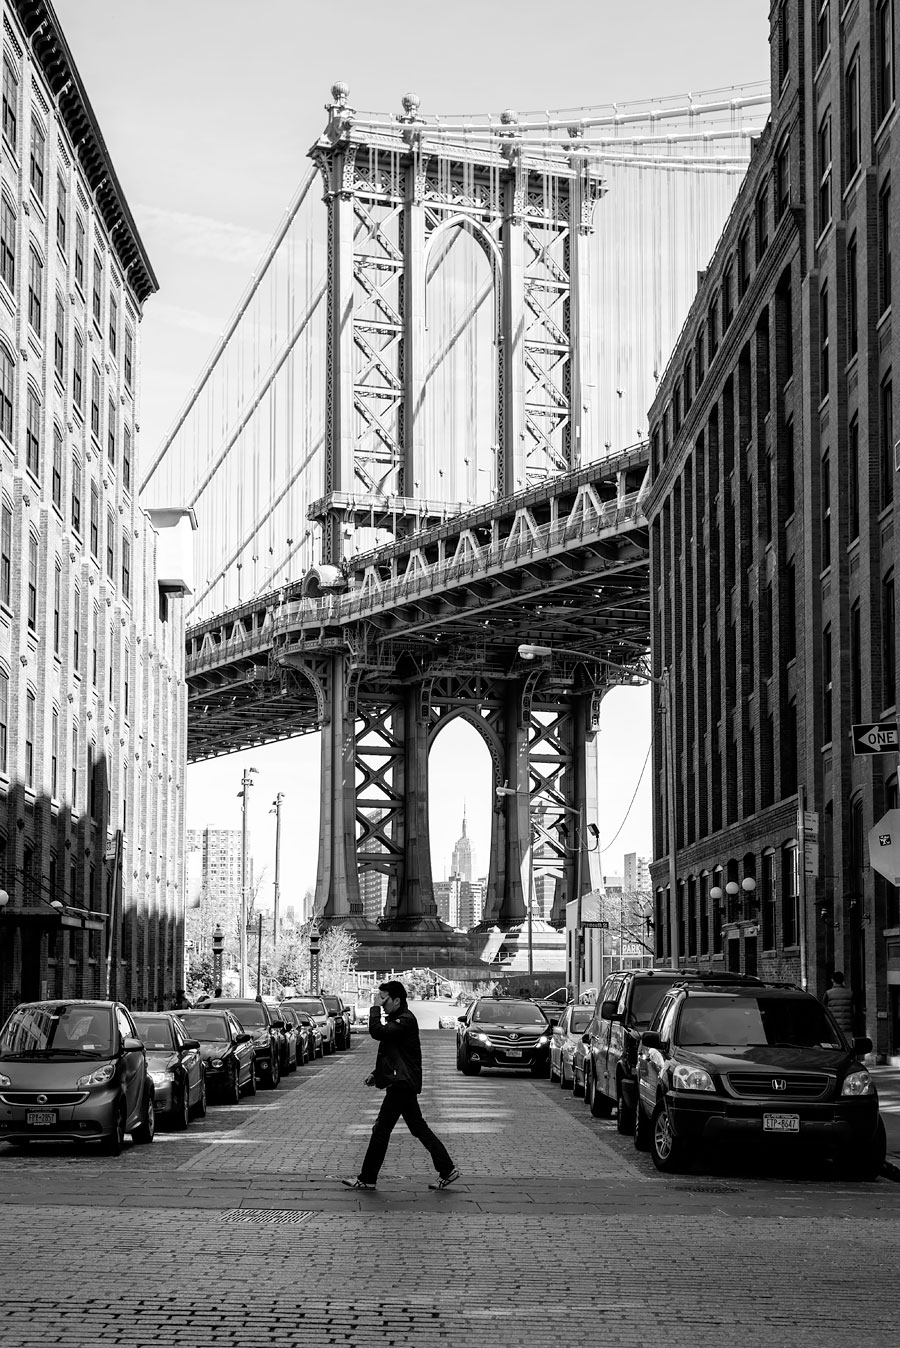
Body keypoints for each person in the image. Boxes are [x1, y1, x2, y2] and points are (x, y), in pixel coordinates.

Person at [342, 980, 459, 1192]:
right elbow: (394, 1055)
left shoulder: (405, 1020)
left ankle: (368, 1177)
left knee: (381, 1129)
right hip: (402, 1082)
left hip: (402, 1084)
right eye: (380, 999)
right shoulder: (399, 1019)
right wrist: (376, 1074)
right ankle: (447, 1169)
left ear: (397, 1000)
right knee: (417, 1127)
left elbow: (378, 1033)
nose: (381, 1003)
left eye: (384, 999)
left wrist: (374, 1010)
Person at [823, 971, 853, 1035]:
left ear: (832, 980)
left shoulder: (828, 993)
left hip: (834, 1027)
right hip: (848, 1027)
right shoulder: (850, 993)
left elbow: (824, 1009)